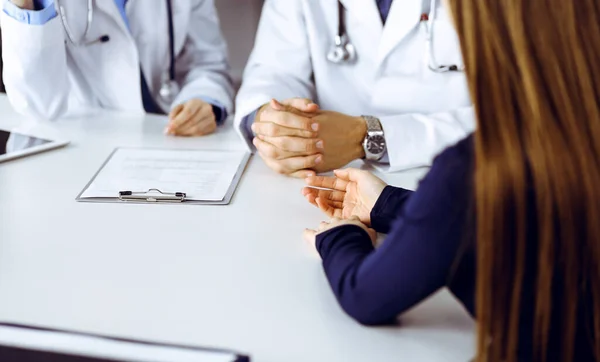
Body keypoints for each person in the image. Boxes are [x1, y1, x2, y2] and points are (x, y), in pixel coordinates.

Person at [302, 0, 600, 360]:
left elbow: (364, 295)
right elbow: (471, 223)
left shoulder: (472, 172)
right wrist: (386, 205)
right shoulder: (575, 143)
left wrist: (340, 235)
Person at [235, 0, 474, 177]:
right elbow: (275, 69)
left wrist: (366, 136)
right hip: (331, 179)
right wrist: (274, 122)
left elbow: (508, 118)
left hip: (458, 175)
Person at [0, 0, 234, 137]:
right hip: (67, 148)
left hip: (163, 139)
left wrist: (203, 99)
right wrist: (22, 4)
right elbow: (41, 106)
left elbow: (207, 62)